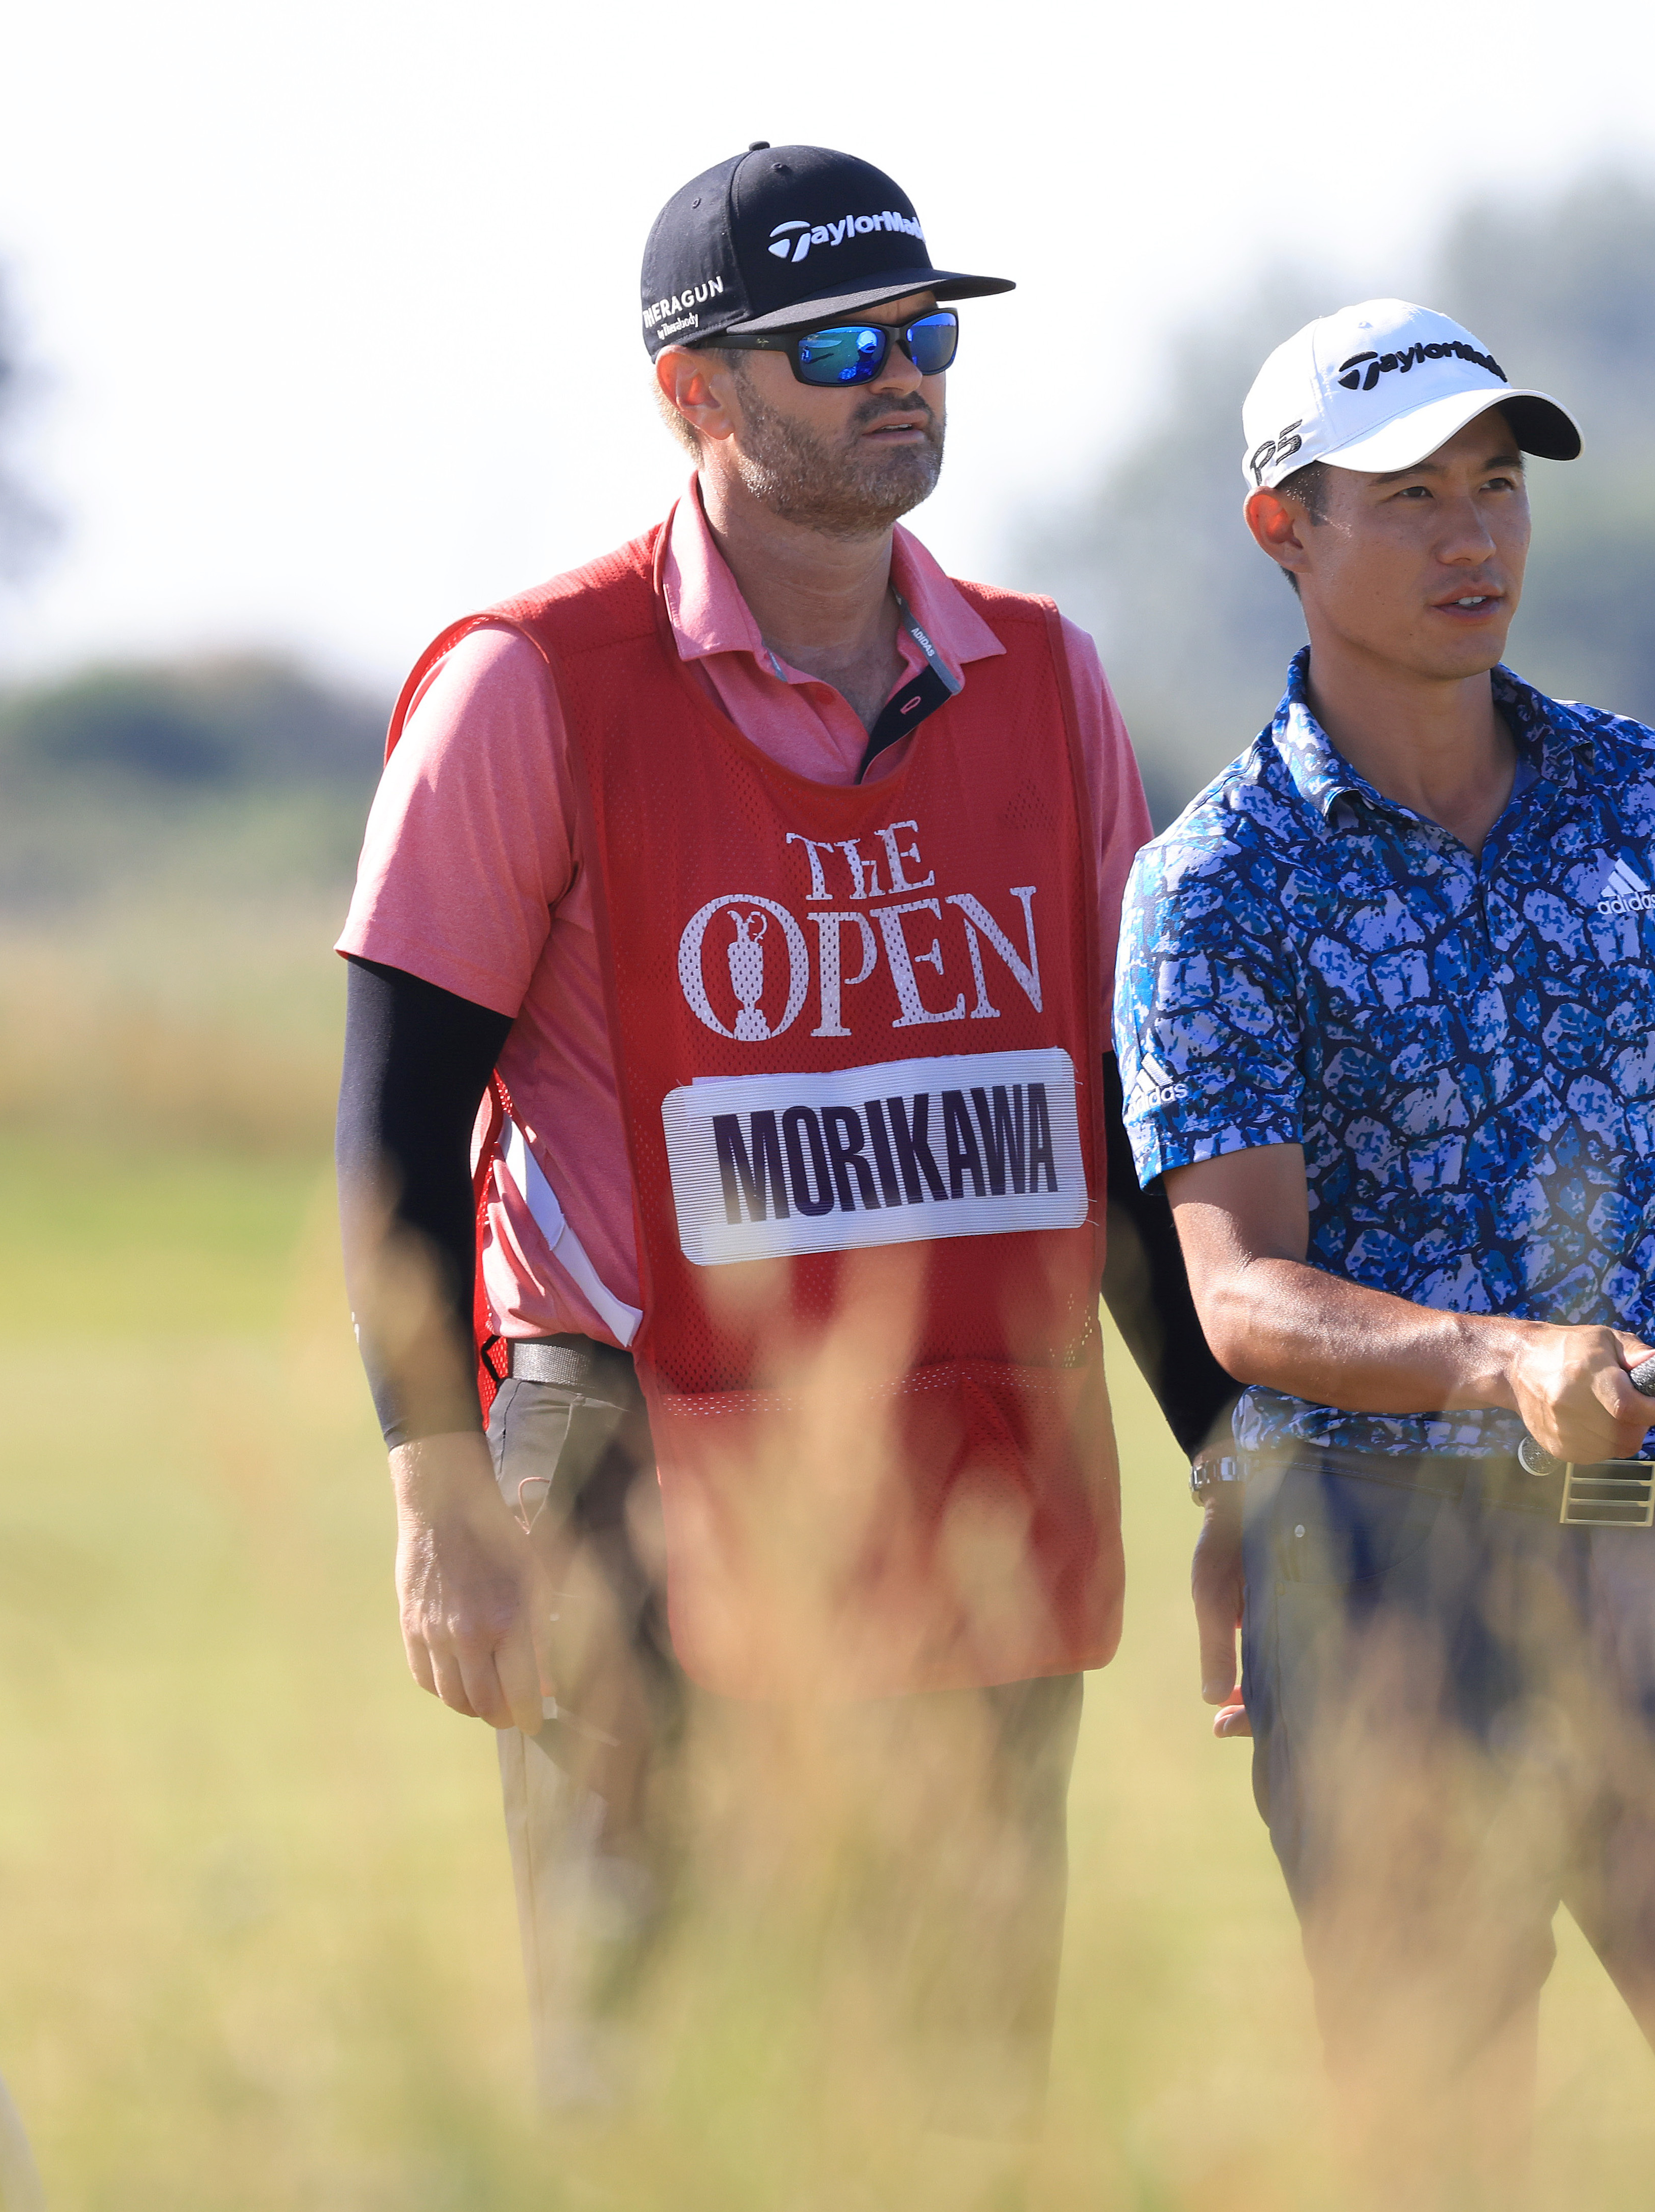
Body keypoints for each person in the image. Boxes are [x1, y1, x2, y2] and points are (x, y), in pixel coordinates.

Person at [332, 144, 1229, 2131]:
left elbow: (1122, 1113)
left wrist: (1232, 1449)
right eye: (840, 345)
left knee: (965, 2087)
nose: (903, 375)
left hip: (980, 1454)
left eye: (925, 333)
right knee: (657, 2077)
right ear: (697, 393)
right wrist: (433, 1491)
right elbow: (393, 1128)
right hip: (632, 1466)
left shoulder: (1048, 678)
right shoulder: (526, 685)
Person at [1112, 299, 1655, 2207]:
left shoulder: (1647, 799)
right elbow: (1238, 1289)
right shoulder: (1215, 884)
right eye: (1407, 497)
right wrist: (1498, 1358)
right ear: (1284, 533)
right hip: (1383, 1606)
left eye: (1495, 487)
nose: (1471, 536)